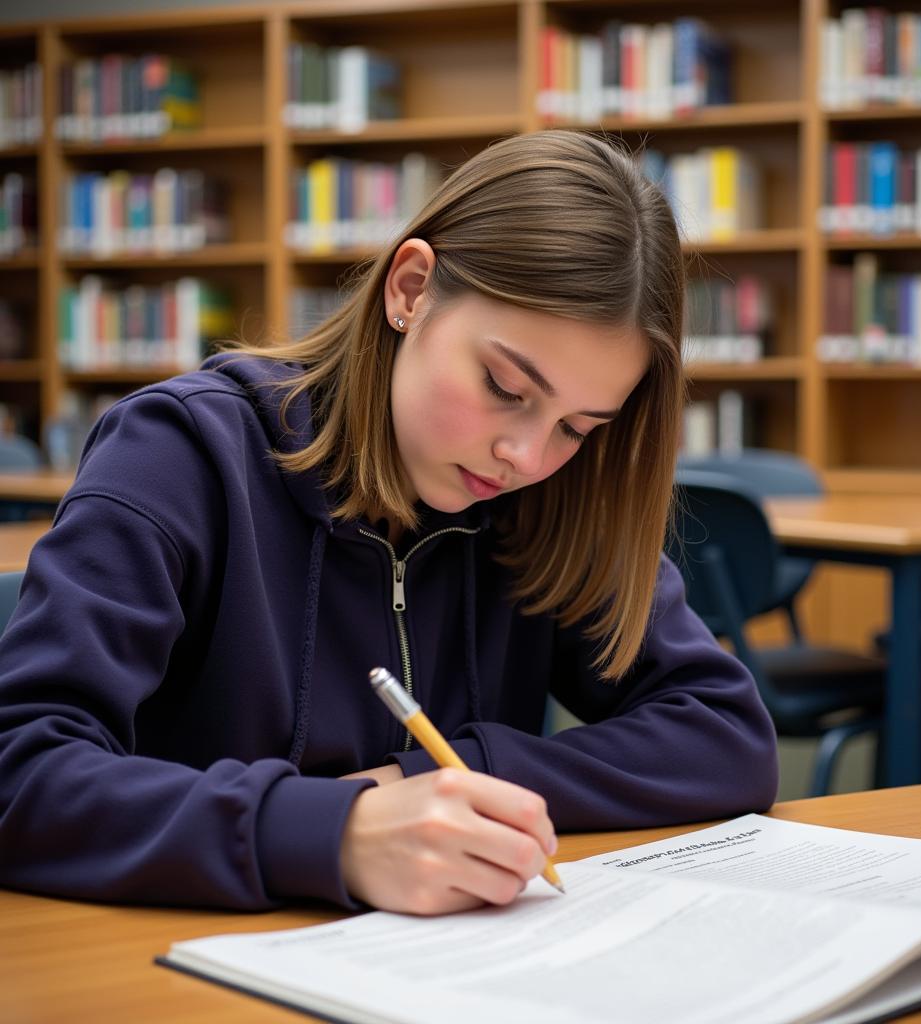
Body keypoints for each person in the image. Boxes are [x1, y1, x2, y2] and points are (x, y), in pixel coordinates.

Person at [0, 131, 777, 916]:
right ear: (410, 290)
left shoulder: (552, 497)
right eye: (505, 386)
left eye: (578, 426)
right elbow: (20, 768)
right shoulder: (179, 455)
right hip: (173, 957)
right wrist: (331, 831)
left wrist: (439, 776)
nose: (525, 454)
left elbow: (726, 735)